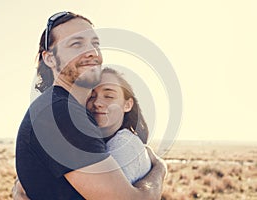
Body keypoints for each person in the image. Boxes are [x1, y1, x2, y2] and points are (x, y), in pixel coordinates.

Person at [15, 11, 167, 200]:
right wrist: (160, 168)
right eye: (76, 44)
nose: (92, 52)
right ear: (50, 58)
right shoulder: (60, 114)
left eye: (95, 44)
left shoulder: (64, 110)